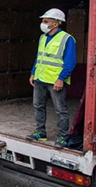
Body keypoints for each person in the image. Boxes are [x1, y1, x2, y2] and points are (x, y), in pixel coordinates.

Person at [27, 8, 77, 149]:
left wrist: (61, 78)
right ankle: (40, 132)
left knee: (60, 109)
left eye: (46, 21)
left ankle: (62, 136)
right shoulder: (43, 38)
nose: (43, 24)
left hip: (55, 81)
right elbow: (39, 57)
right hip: (40, 78)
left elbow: (70, 62)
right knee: (38, 106)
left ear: (55, 23)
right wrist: (33, 72)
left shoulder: (67, 39)